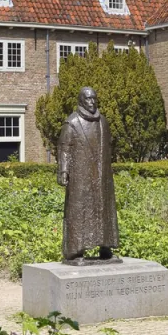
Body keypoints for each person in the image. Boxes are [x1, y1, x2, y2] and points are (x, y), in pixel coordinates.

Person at [56, 87, 120, 264]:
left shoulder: (103, 122)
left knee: (104, 208)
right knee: (79, 211)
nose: (92, 102)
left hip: (101, 175)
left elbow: (109, 146)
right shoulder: (72, 123)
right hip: (80, 175)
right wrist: (63, 171)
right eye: (88, 99)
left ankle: (105, 247)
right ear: (81, 100)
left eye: (94, 99)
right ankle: (75, 252)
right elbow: (64, 149)